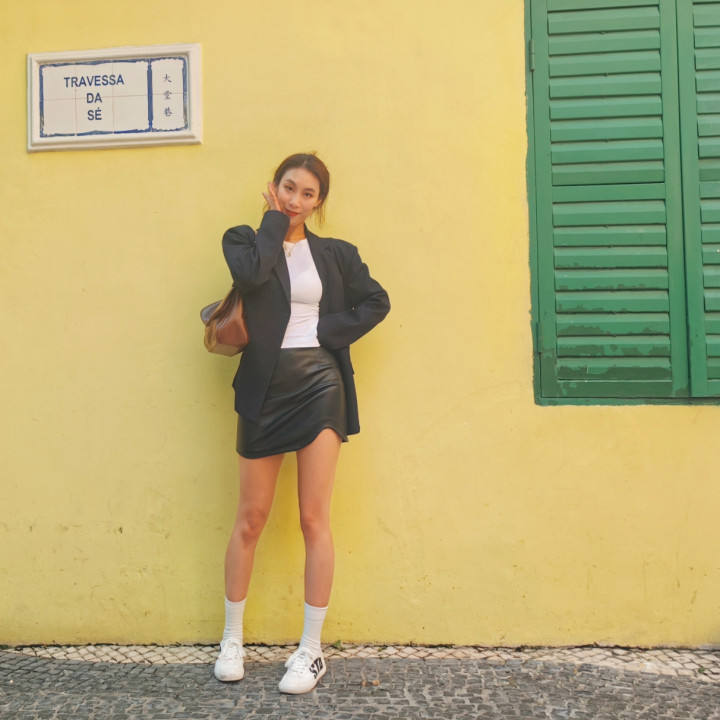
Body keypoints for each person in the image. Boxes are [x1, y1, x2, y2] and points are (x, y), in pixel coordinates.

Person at [213, 152, 390, 694]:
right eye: (288, 188)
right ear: (274, 187)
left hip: (319, 386)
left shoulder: (336, 254)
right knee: (250, 517)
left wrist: (324, 332)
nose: (295, 200)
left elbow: (376, 301)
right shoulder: (244, 240)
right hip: (264, 390)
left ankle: (311, 650)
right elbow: (252, 275)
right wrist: (274, 222)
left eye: (307, 194)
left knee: (314, 518)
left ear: (319, 202)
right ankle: (232, 639)